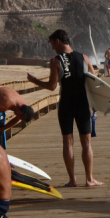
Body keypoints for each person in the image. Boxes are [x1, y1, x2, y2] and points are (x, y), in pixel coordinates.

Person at [28, 29, 104, 188]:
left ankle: (72, 180)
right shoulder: (83, 57)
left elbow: (52, 86)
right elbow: (94, 82)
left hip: (66, 104)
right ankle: (90, 179)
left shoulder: (55, 60)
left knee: (68, 142)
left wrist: (35, 81)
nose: (52, 48)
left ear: (57, 41)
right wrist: (95, 103)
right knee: (86, 143)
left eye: (52, 44)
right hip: (83, 103)